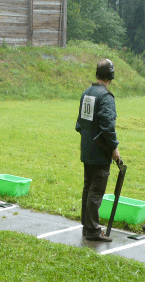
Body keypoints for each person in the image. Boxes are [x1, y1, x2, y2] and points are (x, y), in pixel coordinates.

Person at [75, 59, 121, 242]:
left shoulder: (87, 93)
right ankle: (93, 230)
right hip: (100, 153)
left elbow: (80, 124)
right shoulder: (106, 97)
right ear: (111, 76)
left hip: (87, 150)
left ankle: (87, 227)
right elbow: (108, 127)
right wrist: (114, 147)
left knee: (88, 188)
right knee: (96, 191)